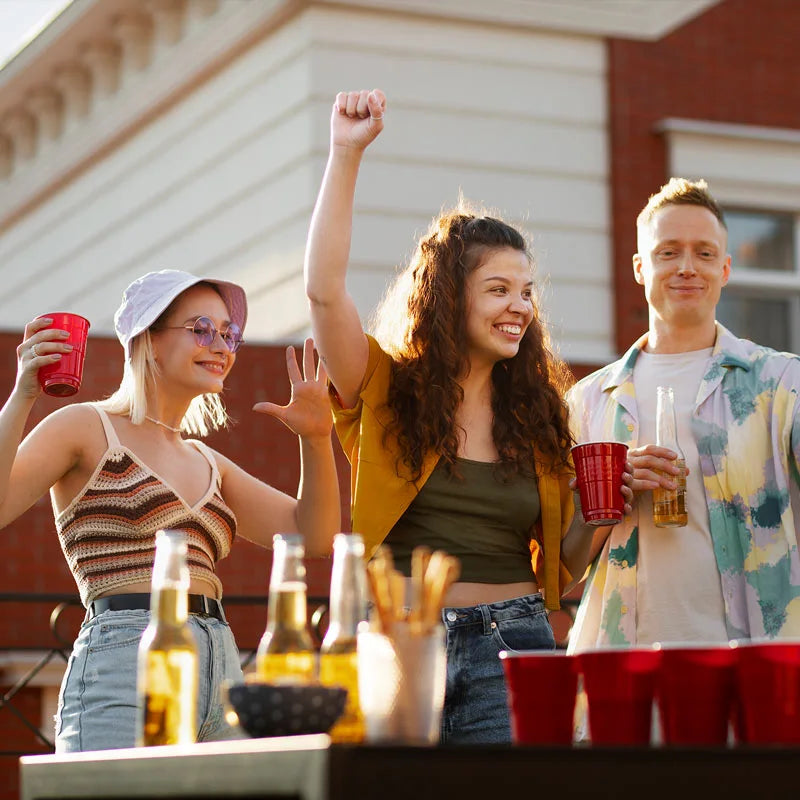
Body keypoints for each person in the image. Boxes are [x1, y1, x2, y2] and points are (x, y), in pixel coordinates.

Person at [304, 89, 632, 744]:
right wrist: (345, 154)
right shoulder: (384, 388)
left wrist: (601, 517)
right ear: (450, 299)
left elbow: (560, 569)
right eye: (499, 289)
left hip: (515, 646)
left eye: (527, 292)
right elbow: (322, 290)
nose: (519, 307)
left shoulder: (539, 413)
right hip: (396, 642)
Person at [0, 269, 340, 752]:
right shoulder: (86, 426)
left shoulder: (209, 462)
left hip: (220, 665)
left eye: (229, 334)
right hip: (124, 661)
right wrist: (24, 394)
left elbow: (315, 536)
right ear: (149, 340)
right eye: (201, 329)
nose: (220, 345)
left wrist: (317, 438)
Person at [567, 177, 800, 653]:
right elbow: (558, 570)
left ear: (726, 268)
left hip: (758, 665)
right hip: (621, 664)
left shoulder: (782, 384)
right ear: (639, 267)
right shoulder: (589, 401)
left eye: (705, 253)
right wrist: (612, 492)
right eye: (668, 252)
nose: (687, 268)